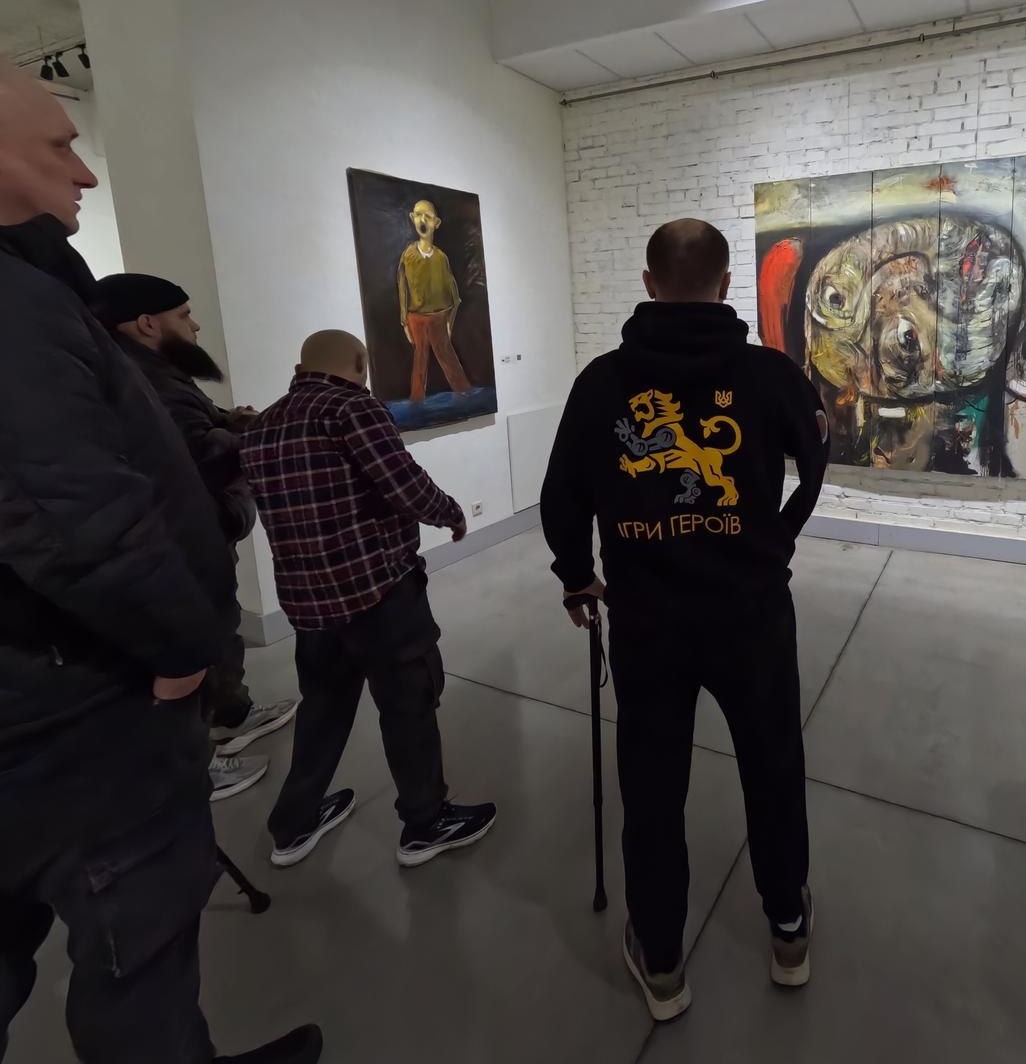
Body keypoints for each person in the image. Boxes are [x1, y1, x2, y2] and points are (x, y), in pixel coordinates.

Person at [0, 62, 321, 1063]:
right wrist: (187, 651)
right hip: (78, 720)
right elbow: (77, 519)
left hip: (38, 703)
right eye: (60, 144)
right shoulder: (14, 309)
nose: (86, 171)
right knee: (135, 951)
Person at [540, 218, 829, 1022]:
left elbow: (562, 492)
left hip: (647, 620)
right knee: (772, 767)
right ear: (727, 285)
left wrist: (576, 575)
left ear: (648, 283)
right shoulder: (771, 374)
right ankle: (788, 928)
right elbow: (815, 460)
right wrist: (776, 538)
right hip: (751, 613)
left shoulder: (601, 382)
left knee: (653, 785)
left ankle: (662, 960)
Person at [241, 329, 495, 869]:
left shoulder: (263, 425)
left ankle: (293, 823)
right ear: (360, 363)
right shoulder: (353, 408)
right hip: (377, 594)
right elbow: (404, 484)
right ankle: (425, 823)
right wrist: (450, 512)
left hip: (308, 603)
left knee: (323, 711)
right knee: (408, 706)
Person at [95, 273, 300, 803]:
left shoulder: (149, 371)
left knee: (218, 624)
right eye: (183, 315)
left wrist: (233, 420)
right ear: (146, 323)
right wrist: (257, 435)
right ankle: (196, 766)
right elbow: (191, 454)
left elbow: (197, 425)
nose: (195, 325)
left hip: (196, 528)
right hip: (181, 534)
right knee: (197, 637)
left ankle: (232, 711)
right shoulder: (143, 379)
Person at [399, 198, 470, 402]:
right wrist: (404, 321)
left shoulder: (441, 258)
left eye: (428, 217)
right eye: (418, 215)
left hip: (440, 316)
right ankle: (417, 400)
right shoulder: (408, 256)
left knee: (447, 356)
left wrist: (449, 320)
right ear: (412, 218)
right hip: (416, 318)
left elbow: (454, 295)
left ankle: (464, 393)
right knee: (419, 359)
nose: (422, 220)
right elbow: (402, 289)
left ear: (436, 223)